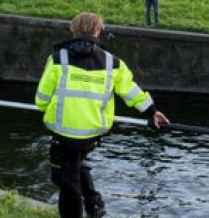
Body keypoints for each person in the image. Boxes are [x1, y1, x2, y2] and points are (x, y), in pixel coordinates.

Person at [35, 12, 170, 218]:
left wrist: (49, 108)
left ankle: (84, 209)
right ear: (99, 30)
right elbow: (131, 92)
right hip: (93, 134)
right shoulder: (113, 63)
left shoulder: (57, 59)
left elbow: (41, 99)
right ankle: (95, 205)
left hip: (63, 134)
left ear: (74, 30)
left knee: (66, 182)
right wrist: (152, 112)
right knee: (76, 163)